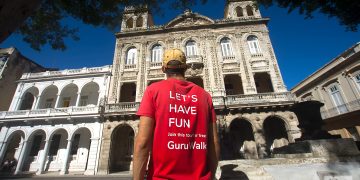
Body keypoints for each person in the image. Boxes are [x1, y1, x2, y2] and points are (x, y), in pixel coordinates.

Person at [133, 48, 220, 180]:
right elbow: (213, 142)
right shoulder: (205, 96)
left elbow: (143, 143)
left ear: (163, 68)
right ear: (185, 67)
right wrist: (212, 176)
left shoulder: (153, 91)